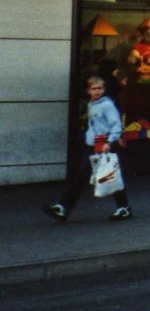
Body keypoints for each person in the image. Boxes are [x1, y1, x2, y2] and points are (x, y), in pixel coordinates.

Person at [42, 77, 132, 223]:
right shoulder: (91, 104)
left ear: (103, 90)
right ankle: (63, 208)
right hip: (93, 145)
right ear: (88, 90)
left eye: (100, 88)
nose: (97, 91)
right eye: (94, 88)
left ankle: (124, 207)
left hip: (104, 145)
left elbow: (116, 124)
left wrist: (110, 142)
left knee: (109, 175)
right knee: (83, 176)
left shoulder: (107, 105)